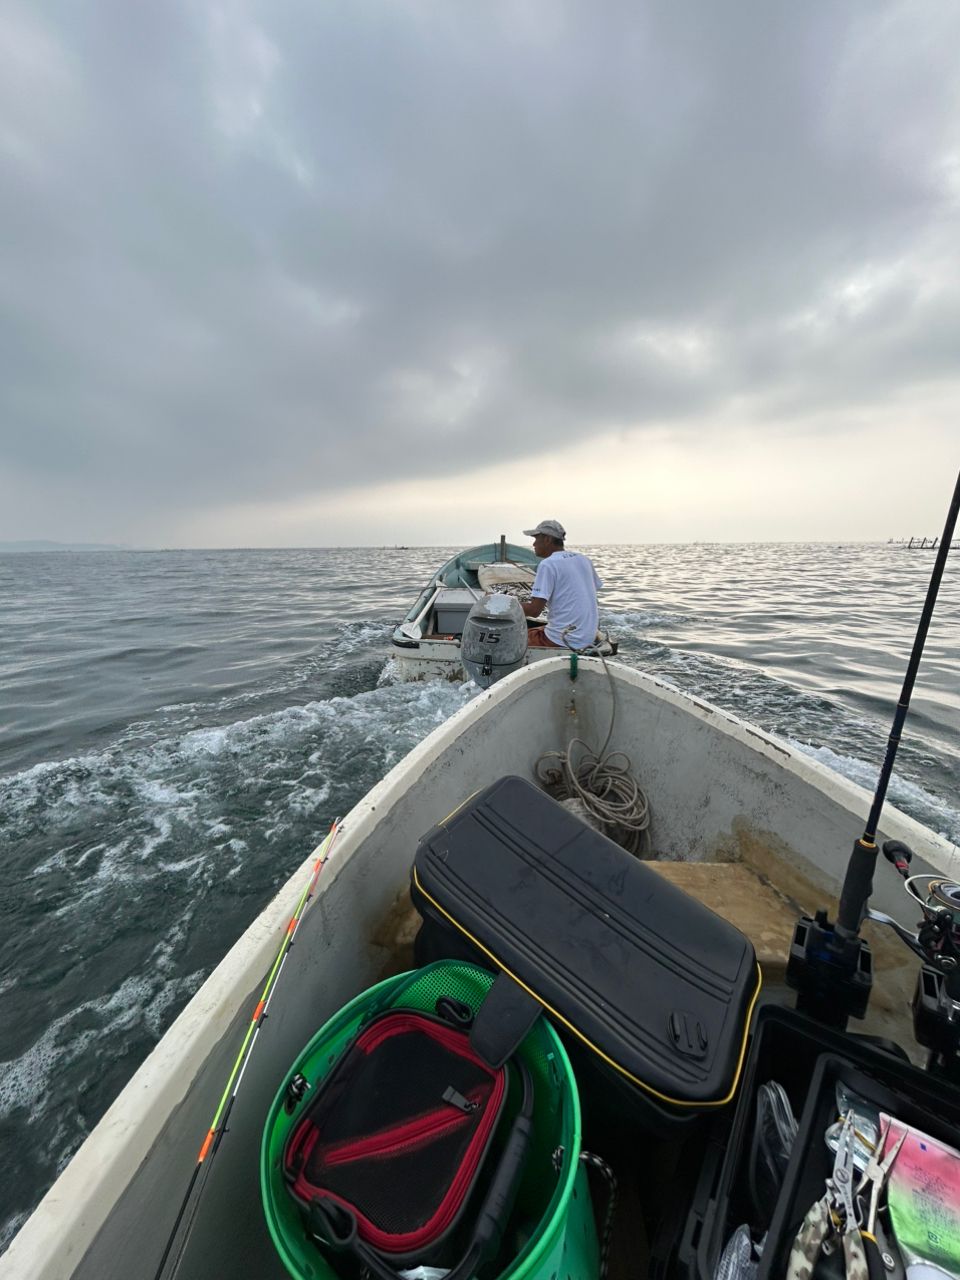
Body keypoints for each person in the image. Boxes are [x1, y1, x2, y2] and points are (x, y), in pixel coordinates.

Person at [520, 519, 602, 650]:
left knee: (510, 639)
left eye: (536, 539)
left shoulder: (548, 564)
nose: (534, 544)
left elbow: (534, 611)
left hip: (563, 640)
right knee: (539, 629)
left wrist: (507, 605)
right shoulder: (584, 559)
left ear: (547, 539)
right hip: (588, 637)